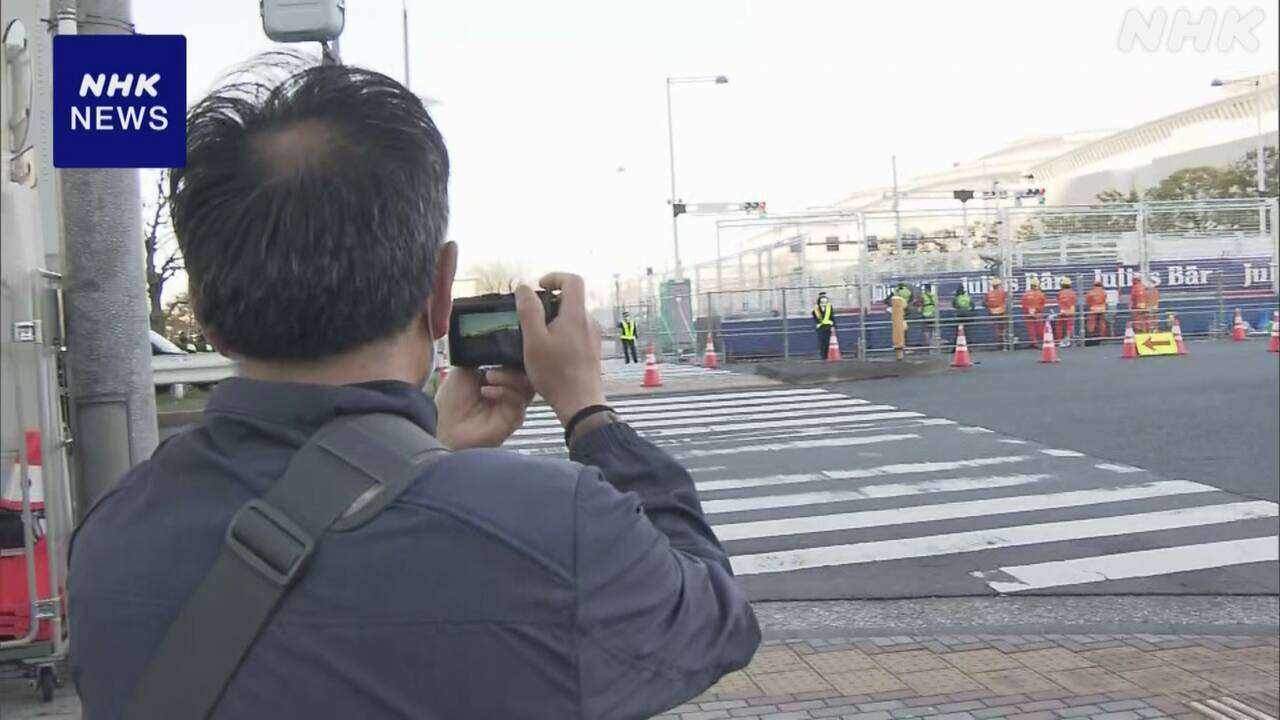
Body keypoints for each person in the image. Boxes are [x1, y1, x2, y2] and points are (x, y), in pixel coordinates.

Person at [68, 57, 759, 720]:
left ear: (211, 316)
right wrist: (588, 412)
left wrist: (420, 450)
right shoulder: (558, 530)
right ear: (439, 290)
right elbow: (714, 619)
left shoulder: (109, 540)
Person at [1021, 278, 1047, 349]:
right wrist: (1037, 310)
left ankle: (1034, 342)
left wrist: (1028, 311)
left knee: (1031, 329)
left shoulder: (1026, 294)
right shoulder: (1041, 294)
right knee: (1040, 328)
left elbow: (1023, 304)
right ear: (1038, 285)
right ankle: (1044, 342)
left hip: (1028, 313)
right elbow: (1043, 304)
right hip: (1038, 313)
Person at [984, 277, 1008, 349]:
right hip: (1002, 311)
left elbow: (984, 303)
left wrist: (990, 306)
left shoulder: (988, 293)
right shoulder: (1003, 292)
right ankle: (1003, 342)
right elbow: (1007, 300)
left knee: (997, 328)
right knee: (1003, 327)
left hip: (993, 312)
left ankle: (999, 343)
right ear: (999, 285)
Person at [1085, 279, 1109, 345]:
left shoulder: (1090, 292)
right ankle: (1103, 336)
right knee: (1102, 323)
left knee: (1091, 323)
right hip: (1102, 309)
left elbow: (1088, 301)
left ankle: (1091, 335)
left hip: (1093, 309)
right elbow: (1104, 300)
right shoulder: (1104, 292)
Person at [812, 291, 835, 358]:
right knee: (822, 342)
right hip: (821, 327)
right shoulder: (816, 308)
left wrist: (833, 326)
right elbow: (815, 317)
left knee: (829, 342)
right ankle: (823, 356)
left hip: (828, 327)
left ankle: (829, 355)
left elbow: (832, 317)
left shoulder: (829, 307)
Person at [1055, 278, 1077, 347]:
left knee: (1059, 326)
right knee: (1069, 326)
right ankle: (1068, 340)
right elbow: (1074, 301)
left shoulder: (1060, 293)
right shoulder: (1072, 293)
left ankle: (1059, 340)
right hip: (1070, 311)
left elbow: (1058, 300)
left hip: (1062, 311)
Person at [919, 283, 938, 348]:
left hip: (926, 314)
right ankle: (934, 343)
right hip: (933, 313)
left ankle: (928, 343)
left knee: (926, 329)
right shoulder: (934, 295)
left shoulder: (923, 296)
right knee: (933, 329)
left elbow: (919, 304)